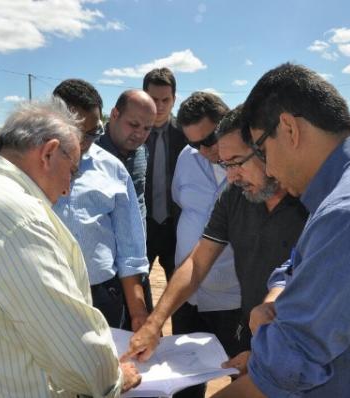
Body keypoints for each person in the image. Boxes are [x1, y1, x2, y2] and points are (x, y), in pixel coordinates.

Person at [212, 63, 350, 398]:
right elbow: (301, 264)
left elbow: (283, 373)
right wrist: (277, 296)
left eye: (262, 149)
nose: (267, 167)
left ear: (288, 129)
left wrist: (269, 345)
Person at [0, 97, 141, 397]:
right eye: (73, 171)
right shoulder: (20, 219)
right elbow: (73, 344)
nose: (68, 187)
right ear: (49, 153)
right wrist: (114, 380)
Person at [123, 106, 307, 369]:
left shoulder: (310, 202)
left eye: (236, 162)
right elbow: (198, 262)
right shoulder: (234, 195)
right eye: (225, 164)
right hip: (253, 330)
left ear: (265, 150)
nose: (230, 176)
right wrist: (154, 323)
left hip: (298, 342)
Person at [52, 80, 151, 331]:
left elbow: (131, 250)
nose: (83, 142)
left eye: (93, 132)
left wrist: (138, 314)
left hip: (104, 299)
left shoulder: (112, 169)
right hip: (45, 299)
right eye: (75, 132)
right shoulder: (28, 169)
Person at [170, 92, 241, 398]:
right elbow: (179, 200)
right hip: (188, 295)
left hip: (233, 298)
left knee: (241, 375)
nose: (204, 150)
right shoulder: (187, 160)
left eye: (210, 139)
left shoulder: (253, 163)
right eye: (193, 143)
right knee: (184, 380)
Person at [143, 68, 186, 281]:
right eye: (153, 99)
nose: (159, 106)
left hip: (177, 228)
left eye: (165, 100)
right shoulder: (130, 135)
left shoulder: (187, 135)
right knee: (136, 296)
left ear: (174, 99)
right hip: (142, 228)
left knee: (181, 301)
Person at [97, 89, 156, 222]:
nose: (140, 134)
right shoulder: (89, 151)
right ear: (114, 114)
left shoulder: (143, 152)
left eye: (147, 128)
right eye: (134, 125)